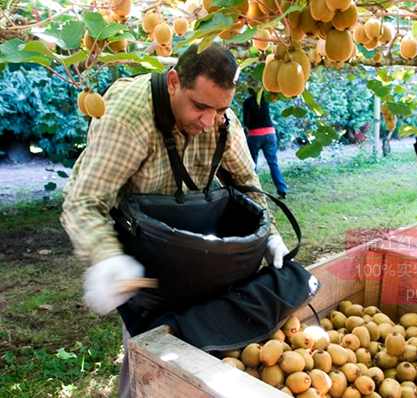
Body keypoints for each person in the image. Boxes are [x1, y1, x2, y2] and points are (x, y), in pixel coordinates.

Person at [60, 44, 288, 397]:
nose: (209, 121)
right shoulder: (130, 116)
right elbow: (84, 200)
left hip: (200, 252)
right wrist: (106, 259)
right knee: (149, 357)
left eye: (221, 109)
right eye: (199, 106)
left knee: (203, 349)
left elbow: (247, 183)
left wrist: (270, 235)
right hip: (145, 265)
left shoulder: (221, 119)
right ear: (172, 83)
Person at [242, 88, 288, 199]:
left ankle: (254, 191)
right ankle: (282, 189)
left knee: (252, 164)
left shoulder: (247, 102)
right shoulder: (266, 99)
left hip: (255, 136)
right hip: (270, 133)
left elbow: (246, 122)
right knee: (273, 163)